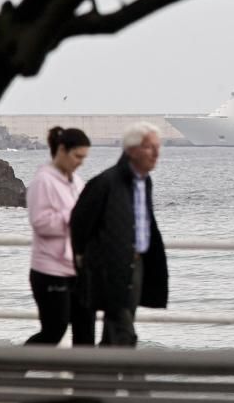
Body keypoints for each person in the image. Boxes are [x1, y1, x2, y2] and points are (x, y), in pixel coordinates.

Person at [70, 122, 169, 346]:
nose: (156, 153)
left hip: (136, 265)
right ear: (131, 150)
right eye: (149, 147)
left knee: (115, 333)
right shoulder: (106, 183)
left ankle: (106, 378)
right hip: (111, 267)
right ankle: (133, 378)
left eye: (157, 147)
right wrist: (86, 260)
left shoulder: (145, 182)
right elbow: (80, 222)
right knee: (124, 333)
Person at [25, 126, 95, 346]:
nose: (80, 162)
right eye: (77, 156)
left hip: (78, 269)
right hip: (49, 270)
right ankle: (11, 370)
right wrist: (74, 216)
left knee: (85, 333)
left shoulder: (78, 183)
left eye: (84, 158)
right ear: (62, 150)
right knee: (54, 330)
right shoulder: (43, 181)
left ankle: (84, 380)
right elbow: (41, 223)